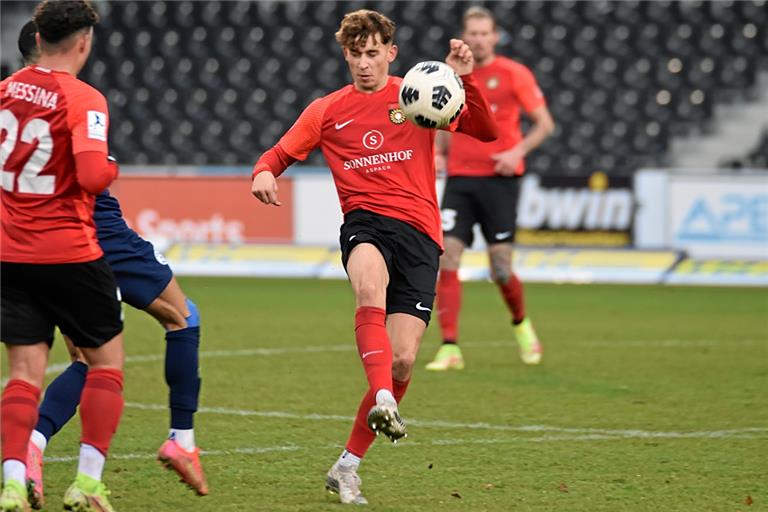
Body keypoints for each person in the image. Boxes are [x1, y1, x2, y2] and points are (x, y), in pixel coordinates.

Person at [250, 9, 497, 505]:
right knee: (368, 286)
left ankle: (347, 466)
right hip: (366, 223)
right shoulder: (327, 110)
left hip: (423, 236)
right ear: (345, 54)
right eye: (355, 54)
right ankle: (383, 397)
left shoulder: (419, 94)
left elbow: (486, 132)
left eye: (372, 53)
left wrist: (464, 79)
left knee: (404, 359)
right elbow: (276, 156)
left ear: (391, 52)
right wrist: (262, 174)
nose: (364, 64)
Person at [14, 19, 208, 508]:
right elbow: (94, 175)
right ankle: (180, 440)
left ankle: (30, 451)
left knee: (75, 359)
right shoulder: (78, 98)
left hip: (27, 247)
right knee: (183, 317)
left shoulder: (12, 100)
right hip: (92, 238)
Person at [0, 2, 124, 510]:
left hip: (11, 253)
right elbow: (94, 177)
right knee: (106, 364)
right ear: (83, 42)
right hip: (70, 252)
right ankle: (88, 482)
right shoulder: (83, 97)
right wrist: (112, 166)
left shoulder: (4, 92)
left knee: (24, 372)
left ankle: (10, 482)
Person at [425, 6, 555, 371]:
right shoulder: (451, 76)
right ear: (464, 37)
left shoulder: (514, 74)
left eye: (485, 33)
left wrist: (517, 151)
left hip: (500, 181)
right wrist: (437, 152)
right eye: (473, 33)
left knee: (500, 267)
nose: (479, 39)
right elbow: (441, 120)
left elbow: (545, 124)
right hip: (460, 180)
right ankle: (450, 346)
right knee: (447, 257)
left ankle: (521, 324)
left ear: (495, 37)